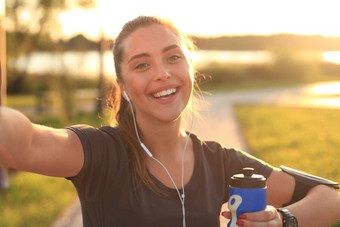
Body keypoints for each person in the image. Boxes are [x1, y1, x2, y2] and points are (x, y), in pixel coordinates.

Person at [1, 15, 340, 227]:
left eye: (173, 57)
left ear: (189, 69)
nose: (163, 74)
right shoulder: (100, 154)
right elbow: (28, 141)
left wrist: (284, 220)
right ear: (124, 88)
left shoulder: (221, 163)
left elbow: (331, 196)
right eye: (142, 64)